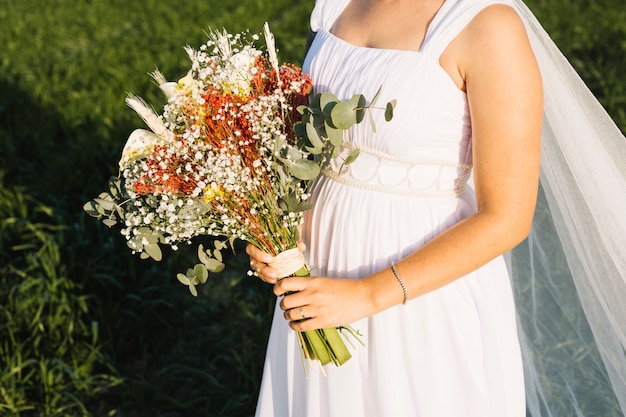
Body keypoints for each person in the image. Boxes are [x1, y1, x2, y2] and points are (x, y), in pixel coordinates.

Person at [247, 0, 626, 416]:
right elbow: (306, 132)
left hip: (419, 292)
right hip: (318, 276)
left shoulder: (487, 26)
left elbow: (508, 216)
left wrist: (366, 296)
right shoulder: (336, 4)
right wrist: (281, 224)